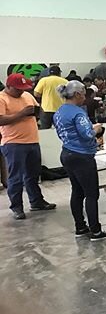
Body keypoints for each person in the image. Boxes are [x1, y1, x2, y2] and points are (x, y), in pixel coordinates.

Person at [53, 81, 106, 241]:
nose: (85, 98)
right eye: (83, 94)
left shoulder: (59, 111)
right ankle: (95, 231)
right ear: (77, 95)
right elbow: (87, 134)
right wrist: (98, 129)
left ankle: (80, 226)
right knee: (92, 194)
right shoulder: (78, 113)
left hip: (67, 153)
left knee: (77, 191)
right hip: (82, 157)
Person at [0, 73, 56, 220]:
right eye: (18, 89)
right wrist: (22, 113)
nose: (21, 91)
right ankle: (17, 207)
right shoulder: (1, 98)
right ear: (9, 86)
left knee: (32, 175)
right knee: (16, 178)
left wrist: (38, 112)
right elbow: (1, 120)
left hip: (32, 140)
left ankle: (36, 201)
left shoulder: (27, 96)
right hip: (13, 143)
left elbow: (37, 110)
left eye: (23, 88)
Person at [33, 65, 67, 129]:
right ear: (59, 73)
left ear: (49, 73)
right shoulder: (65, 81)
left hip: (46, 109)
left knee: (45, 129)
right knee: (60, 129)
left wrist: (45, 94)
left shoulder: (44, 80)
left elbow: (36, 94)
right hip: (61, 110)